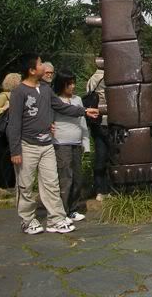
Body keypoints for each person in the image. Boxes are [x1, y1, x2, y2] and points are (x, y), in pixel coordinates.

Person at [8, 53, 99, 235]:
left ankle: (56, 219)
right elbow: (14, 123)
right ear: (32, 70)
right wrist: (15, 150)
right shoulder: (19, 92)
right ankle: (27, 220)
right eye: (40, 64)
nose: (44, 67)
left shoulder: (45, 89)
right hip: (27, 145)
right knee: (25, 185)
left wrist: (83, 111)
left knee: (52, 183)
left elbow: (61, 106)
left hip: (47, 144)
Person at [53, 70, 90, 222]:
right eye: (69, 84)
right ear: (62, 84)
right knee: (65, 178)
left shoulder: (78, 99)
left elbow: (83, 122)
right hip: (61, 143)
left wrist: (86, 143)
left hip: (76, 142)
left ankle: (73, 209)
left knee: (77, 177)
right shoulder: (55, 100)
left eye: (74, 83)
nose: (72, 86)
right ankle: (63, 211)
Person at [0, 73, 21, 188]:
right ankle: (4, 186)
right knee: (4, 160)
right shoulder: (4, 96)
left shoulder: (20, 96)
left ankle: (11, 185)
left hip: (14, 132)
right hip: (2, 134)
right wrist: (5, 107)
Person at [86, 69, 110, 201]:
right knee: (108, 155)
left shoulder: (93, 78)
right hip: (106, 121)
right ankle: (105, 188)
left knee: (100, 154)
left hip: (96, 122)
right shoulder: (108, 75)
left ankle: (100, 188)